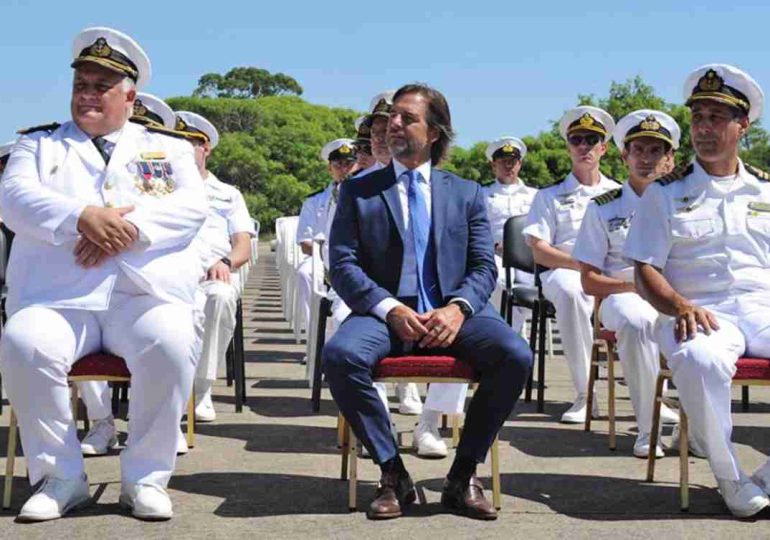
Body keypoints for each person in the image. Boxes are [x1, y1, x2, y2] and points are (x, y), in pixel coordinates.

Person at [0, 27, 207, 521]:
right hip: (59, 298)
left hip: (138, 296)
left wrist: (121, 229)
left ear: (130, 97)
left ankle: (145, 478)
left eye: (102, 86)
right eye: (81, 86)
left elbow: (192, 207)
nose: (88, 95)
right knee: (24, 342)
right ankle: (59, 476)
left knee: (172, 340)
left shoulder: (169, 148)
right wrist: (81, 218)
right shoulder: (38, 146)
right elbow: (14, 200)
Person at [324, 83, 532, 520]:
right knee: (341, 356)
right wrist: (390, 308)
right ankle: (392, 472)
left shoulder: (466, 192)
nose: (393, 125)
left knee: (514, 354)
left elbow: (482, 266)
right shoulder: (358, 191)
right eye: (391, 118)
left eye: (407, 118)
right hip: (384, 313)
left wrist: (457, 308)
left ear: (435, 132)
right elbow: (342, 265)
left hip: (453, 312)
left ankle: (462, 475)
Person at [625, 63, 770, 518]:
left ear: (742, 125)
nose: (704, 128)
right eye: (698, 117)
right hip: (700, 312)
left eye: (716, 117)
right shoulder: (665, 194)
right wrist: (679, 304)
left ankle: (766, 478)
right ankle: (729, 476)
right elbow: (643, 269)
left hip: (762, 309)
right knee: (699, 358)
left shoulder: (765, 189)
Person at [76, 92, 194, 456]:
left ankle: (162, 426)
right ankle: (101, 423)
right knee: (42, 334)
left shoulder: (166, 157)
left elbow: (184, 214)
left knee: (173, 332)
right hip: (82, 273)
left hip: (151, 279)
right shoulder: (59, 149)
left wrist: (115, 235)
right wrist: (91, 225)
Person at [572, 109, 682, 457]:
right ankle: (648, 430)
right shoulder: (603, 208)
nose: (646, 159)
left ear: (670, 159)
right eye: (639, 150)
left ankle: (699, 427)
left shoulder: (685, 205)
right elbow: (589, 281)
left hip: (677, 294)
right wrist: (634, 288)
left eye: (655, 151)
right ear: (624, 155)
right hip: (622, 296)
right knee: (638, 321)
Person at [523, 105, 620, 423]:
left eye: (591, 140)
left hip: (613, 273)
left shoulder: (620, 193)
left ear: (603, 148)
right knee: (574, 290)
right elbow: (539, 250)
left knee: (648, 299)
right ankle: (586, 393)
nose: (584, 146)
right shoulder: (548, 196)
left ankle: (651, 400)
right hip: (564, 273)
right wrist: (584, 268)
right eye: (577, 139)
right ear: (568, 146)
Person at [173, 110, 256, 423]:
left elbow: (244, 246)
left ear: (205, 148)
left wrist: (226, 261)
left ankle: (203, 387)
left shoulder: (228, 194)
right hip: (172, 275)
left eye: (189, 144)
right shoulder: (162, 188)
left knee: (219, 297)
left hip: (213, 273)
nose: (181, 150)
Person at [294, 138, 358, 344]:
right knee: (304, 272)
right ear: (330, 168)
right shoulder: (314, 202)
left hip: (356, 260)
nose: (344, 168)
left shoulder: (366, 197)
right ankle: (314, 339)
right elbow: (305, 242)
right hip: (320, 258)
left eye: (349, 163)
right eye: (338, 164)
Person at [483, 136, 537, 331]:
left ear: (520, 164)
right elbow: (478, 229)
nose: (508, 166)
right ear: (493, 165)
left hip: (529, 258)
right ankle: (513, 336)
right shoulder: (482, 194)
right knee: (497, 281)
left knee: (530, 291)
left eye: (512, 162)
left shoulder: (536, 195)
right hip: (495, 254)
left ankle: (510, 335)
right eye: (503, 162)